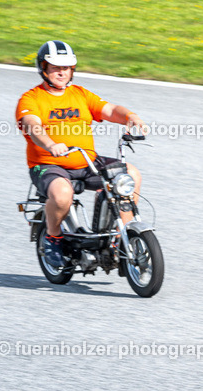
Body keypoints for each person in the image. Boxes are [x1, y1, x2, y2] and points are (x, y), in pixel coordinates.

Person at [15, 40, 148, 267]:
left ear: (72, 70)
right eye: (55, 67)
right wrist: (50, 144)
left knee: (130, 175)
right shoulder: (31, 99)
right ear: (43, 68)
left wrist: (130, 116)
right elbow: (32, 125)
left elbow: (110, 110)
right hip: (47, 164)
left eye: (66, 68)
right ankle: (53, 237)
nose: (61, 72)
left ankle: (121, 236)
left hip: (87, 161)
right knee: (62, 194)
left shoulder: (80, 95)